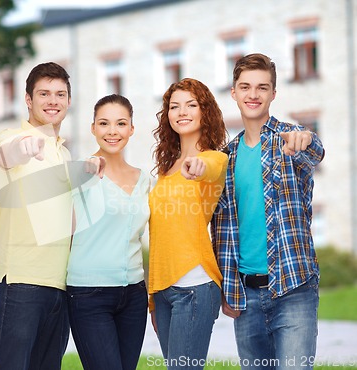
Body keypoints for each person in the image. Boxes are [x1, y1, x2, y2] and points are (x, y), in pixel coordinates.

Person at [0, 62, 103, 370]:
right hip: (19, 283)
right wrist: (25, 146)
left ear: (68, 101)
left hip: (58, 286)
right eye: (44, 94)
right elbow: (6, 155)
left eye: (60, 94)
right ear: (28, 99)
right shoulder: (11, 136)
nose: (53, 101)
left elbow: (70, 222)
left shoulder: (63, 154)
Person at [211, 53, 325, 370]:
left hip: (293, 288)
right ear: (233, 92)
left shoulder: (289, 139)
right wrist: (227, 289)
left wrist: (305, 139)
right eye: (245, 87)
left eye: (262, 87)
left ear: (273, 93)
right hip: (245, 296)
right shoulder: (226, 158)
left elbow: (314, 150)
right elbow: (222, 232)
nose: (253, 94)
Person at [148, 78, 228, 369]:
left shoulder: (214, 159)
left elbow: (211, 168)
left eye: (191, 105)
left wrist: (198, 166)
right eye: (174, 106)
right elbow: (159, 234)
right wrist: (154, 298)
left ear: (204, 111)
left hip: (195, 287)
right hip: (164, 291)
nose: (182, 111)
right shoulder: (166, 169)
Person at [66, 94, 150, 370]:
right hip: (89, 294)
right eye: (104, 123)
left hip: (134, 296)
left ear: (131, 129)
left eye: (120, 123)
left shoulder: (146, 180)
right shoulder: (82, 173)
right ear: (93, 128)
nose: (112, 131)